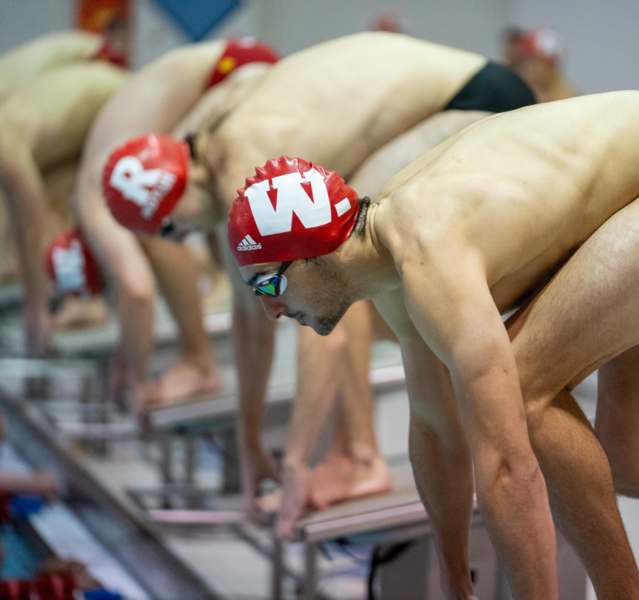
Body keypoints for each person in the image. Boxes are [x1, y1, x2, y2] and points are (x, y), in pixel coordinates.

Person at [227, 91, 639, 599]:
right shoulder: (391, 269)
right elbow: (436, 429)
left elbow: (507, 466)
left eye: (270, 284)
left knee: (520, 391)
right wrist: (454, 580)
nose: (271, 309)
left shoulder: (427, 248)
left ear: (314, 252)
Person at [101, 32, 536, 532]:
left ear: (178, 191)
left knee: (343, 268)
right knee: (328, 266)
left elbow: (320, 323)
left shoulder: (242, 167)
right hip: (455, 83)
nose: (182, 239)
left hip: (476, 97)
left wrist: (294, 461)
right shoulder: (208, 144)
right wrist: (249, 443)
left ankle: (358, 456)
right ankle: (354, 450)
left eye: (173, 228)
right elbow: (251, 323)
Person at [73, 38, 279, 410]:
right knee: (179, 207)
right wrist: (129, 348)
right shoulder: (101, 179)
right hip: (225, 63)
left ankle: (200, 361)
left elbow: (136, 292)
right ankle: (205, 333)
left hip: (229, 71)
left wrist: (137, 384)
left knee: (160, 223)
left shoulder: (94, 203)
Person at [0, 61, 128, 355]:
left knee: (88, 205)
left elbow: (29, 229)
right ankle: (83, 299)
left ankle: (89, 301)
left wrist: (36, 308)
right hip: (75, 116)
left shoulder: (4, 147)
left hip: (113, 101)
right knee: (54, 205)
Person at [512, 28, 576, 101]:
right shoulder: (532, 93)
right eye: (525, 63)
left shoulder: (566, 99)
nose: (527, 70)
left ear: (549, 65)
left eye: (533, 63)